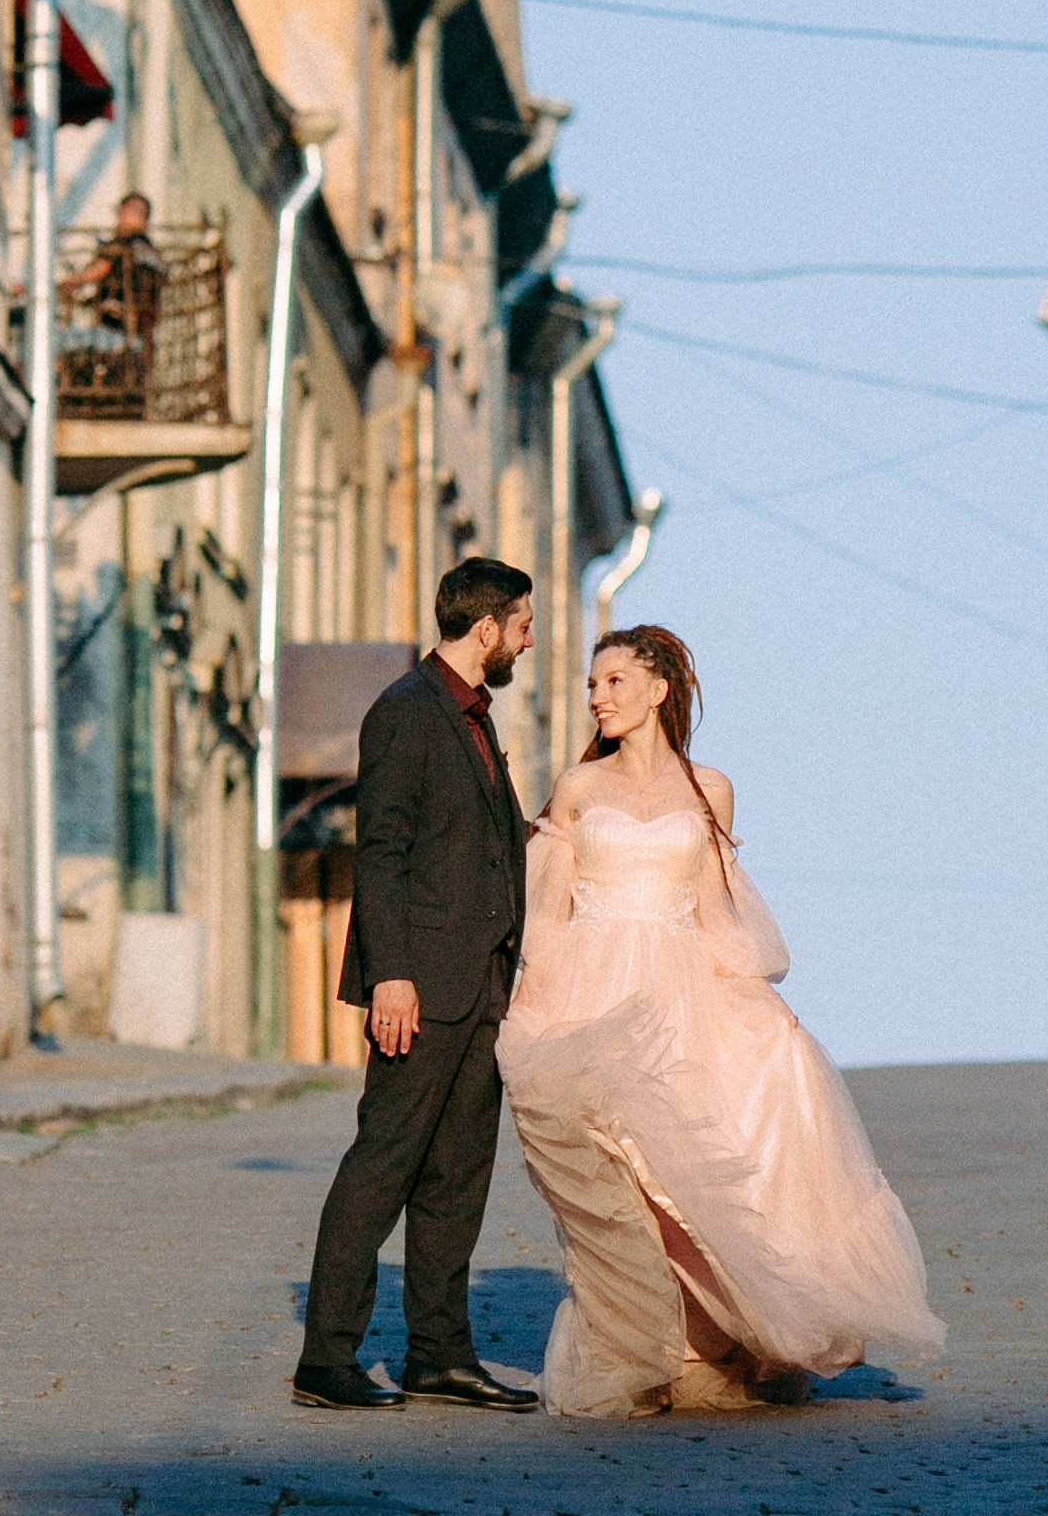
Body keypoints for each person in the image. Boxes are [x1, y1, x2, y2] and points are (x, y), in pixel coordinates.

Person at [496, 622, 945, 1418]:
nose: (598, 697)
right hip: (595, 994)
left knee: (697, 1168)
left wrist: (757, 1004)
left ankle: (718, 1342)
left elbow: (715, 912)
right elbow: (550, 913)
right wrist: (537, 1003)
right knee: (626, 1175)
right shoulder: (577, 789)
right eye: (593, 685)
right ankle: (640, 1343)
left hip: (683, 996)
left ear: (658, 689)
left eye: (614, 682)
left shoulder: (710, 789)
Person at [294, 556, 542, 1414]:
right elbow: (384, 851)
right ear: (487, 630)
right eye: (522, 625)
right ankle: (325, 1359)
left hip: (481, 989)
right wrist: (390, 975)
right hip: (420, 987)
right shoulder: (406, 713)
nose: (528, 640)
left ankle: (439, 1354)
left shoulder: (472, 719)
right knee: (382, 1168)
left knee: (456, 1179)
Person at [58, 191, 167, 410]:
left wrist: (60, 287)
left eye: (124, 213)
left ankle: (44, 390)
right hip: (140, 340)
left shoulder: (122, 246)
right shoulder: (152, 253)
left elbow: (97, 271)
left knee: (55, 341)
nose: (120, 219)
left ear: (137, 216)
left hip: (116, 336)